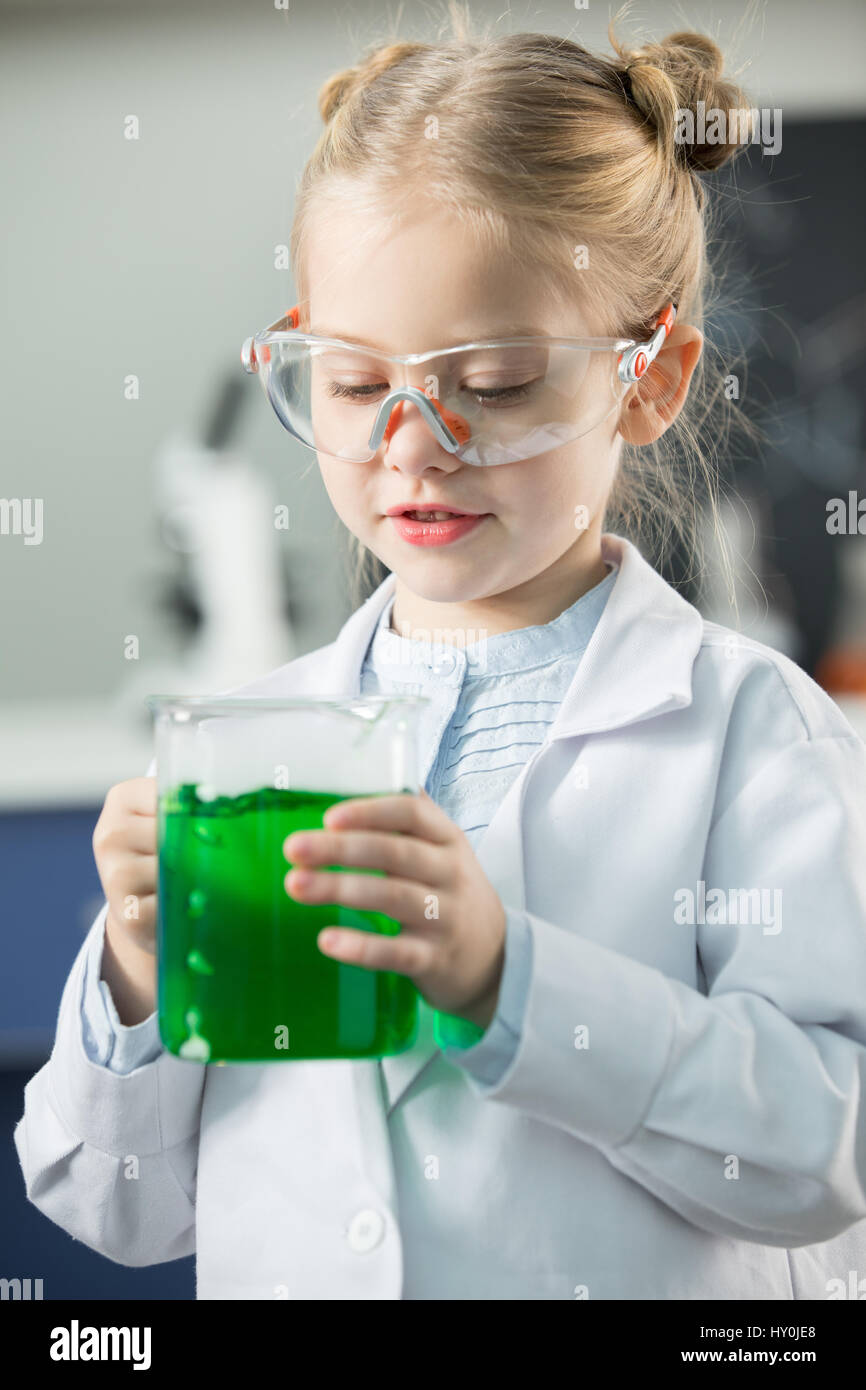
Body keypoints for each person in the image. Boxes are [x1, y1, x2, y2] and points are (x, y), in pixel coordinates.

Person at [15, 12, 866, 1300]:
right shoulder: (251, 742)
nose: (414, 445)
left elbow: (823, 1160)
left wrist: (505, 978)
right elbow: (114, 1207)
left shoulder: (755, 734)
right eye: (356, 385)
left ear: (650, 379)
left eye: (498, 380)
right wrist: (136, 978)